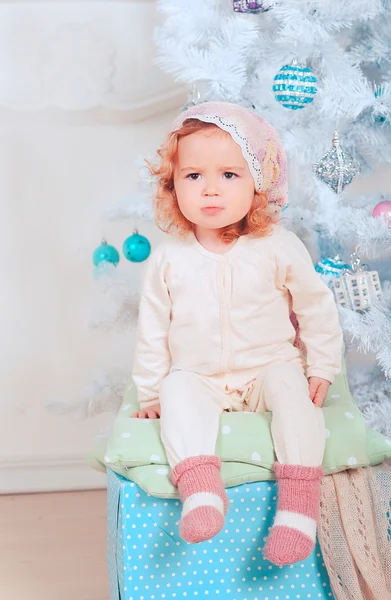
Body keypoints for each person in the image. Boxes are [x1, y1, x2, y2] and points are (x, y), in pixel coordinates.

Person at [130, 101, 343, 566]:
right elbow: (153, 331)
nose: (210, 189)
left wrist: (322, 365)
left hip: (269, 366)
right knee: (177, 391)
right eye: (193, 176)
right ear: (173, 185)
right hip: (200, 372)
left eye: (229, 175)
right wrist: (150, 394)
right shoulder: (170, 257)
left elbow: (315, 306)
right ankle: (202, 490)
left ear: (258, 184)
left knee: (299, 404)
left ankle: (297, 508)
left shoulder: (277, 245)